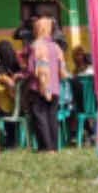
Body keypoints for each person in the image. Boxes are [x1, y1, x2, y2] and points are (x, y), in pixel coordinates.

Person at [28, 17, 67, 152]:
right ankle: (54, 147)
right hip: (55, 87)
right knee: (52, 117)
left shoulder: (36, 46)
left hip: (39, 87)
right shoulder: (56, 47)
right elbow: (62, 69)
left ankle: (46, 147)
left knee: (40, 117)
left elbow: (35, 69)